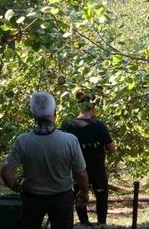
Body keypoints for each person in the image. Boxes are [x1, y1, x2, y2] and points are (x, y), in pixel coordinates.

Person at [0, 91, 90, 229]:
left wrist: (17, 187)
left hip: (32, 197)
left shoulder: (23, 141)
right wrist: (84, 193)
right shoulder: (69, 140)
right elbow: (81, 173)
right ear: (55, 112)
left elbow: (6, 171)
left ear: (34, 115)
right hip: (62, 197)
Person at [61, 92, 116, 226]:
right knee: (101, 195)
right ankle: (101, 222)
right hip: (97, 167)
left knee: (79, 192)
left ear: (80, 107)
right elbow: (111, 148)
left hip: (76, 168)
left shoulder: (68, 125)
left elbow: (60, 146)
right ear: (92, 107)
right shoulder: (99, 125)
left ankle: (84, 222)